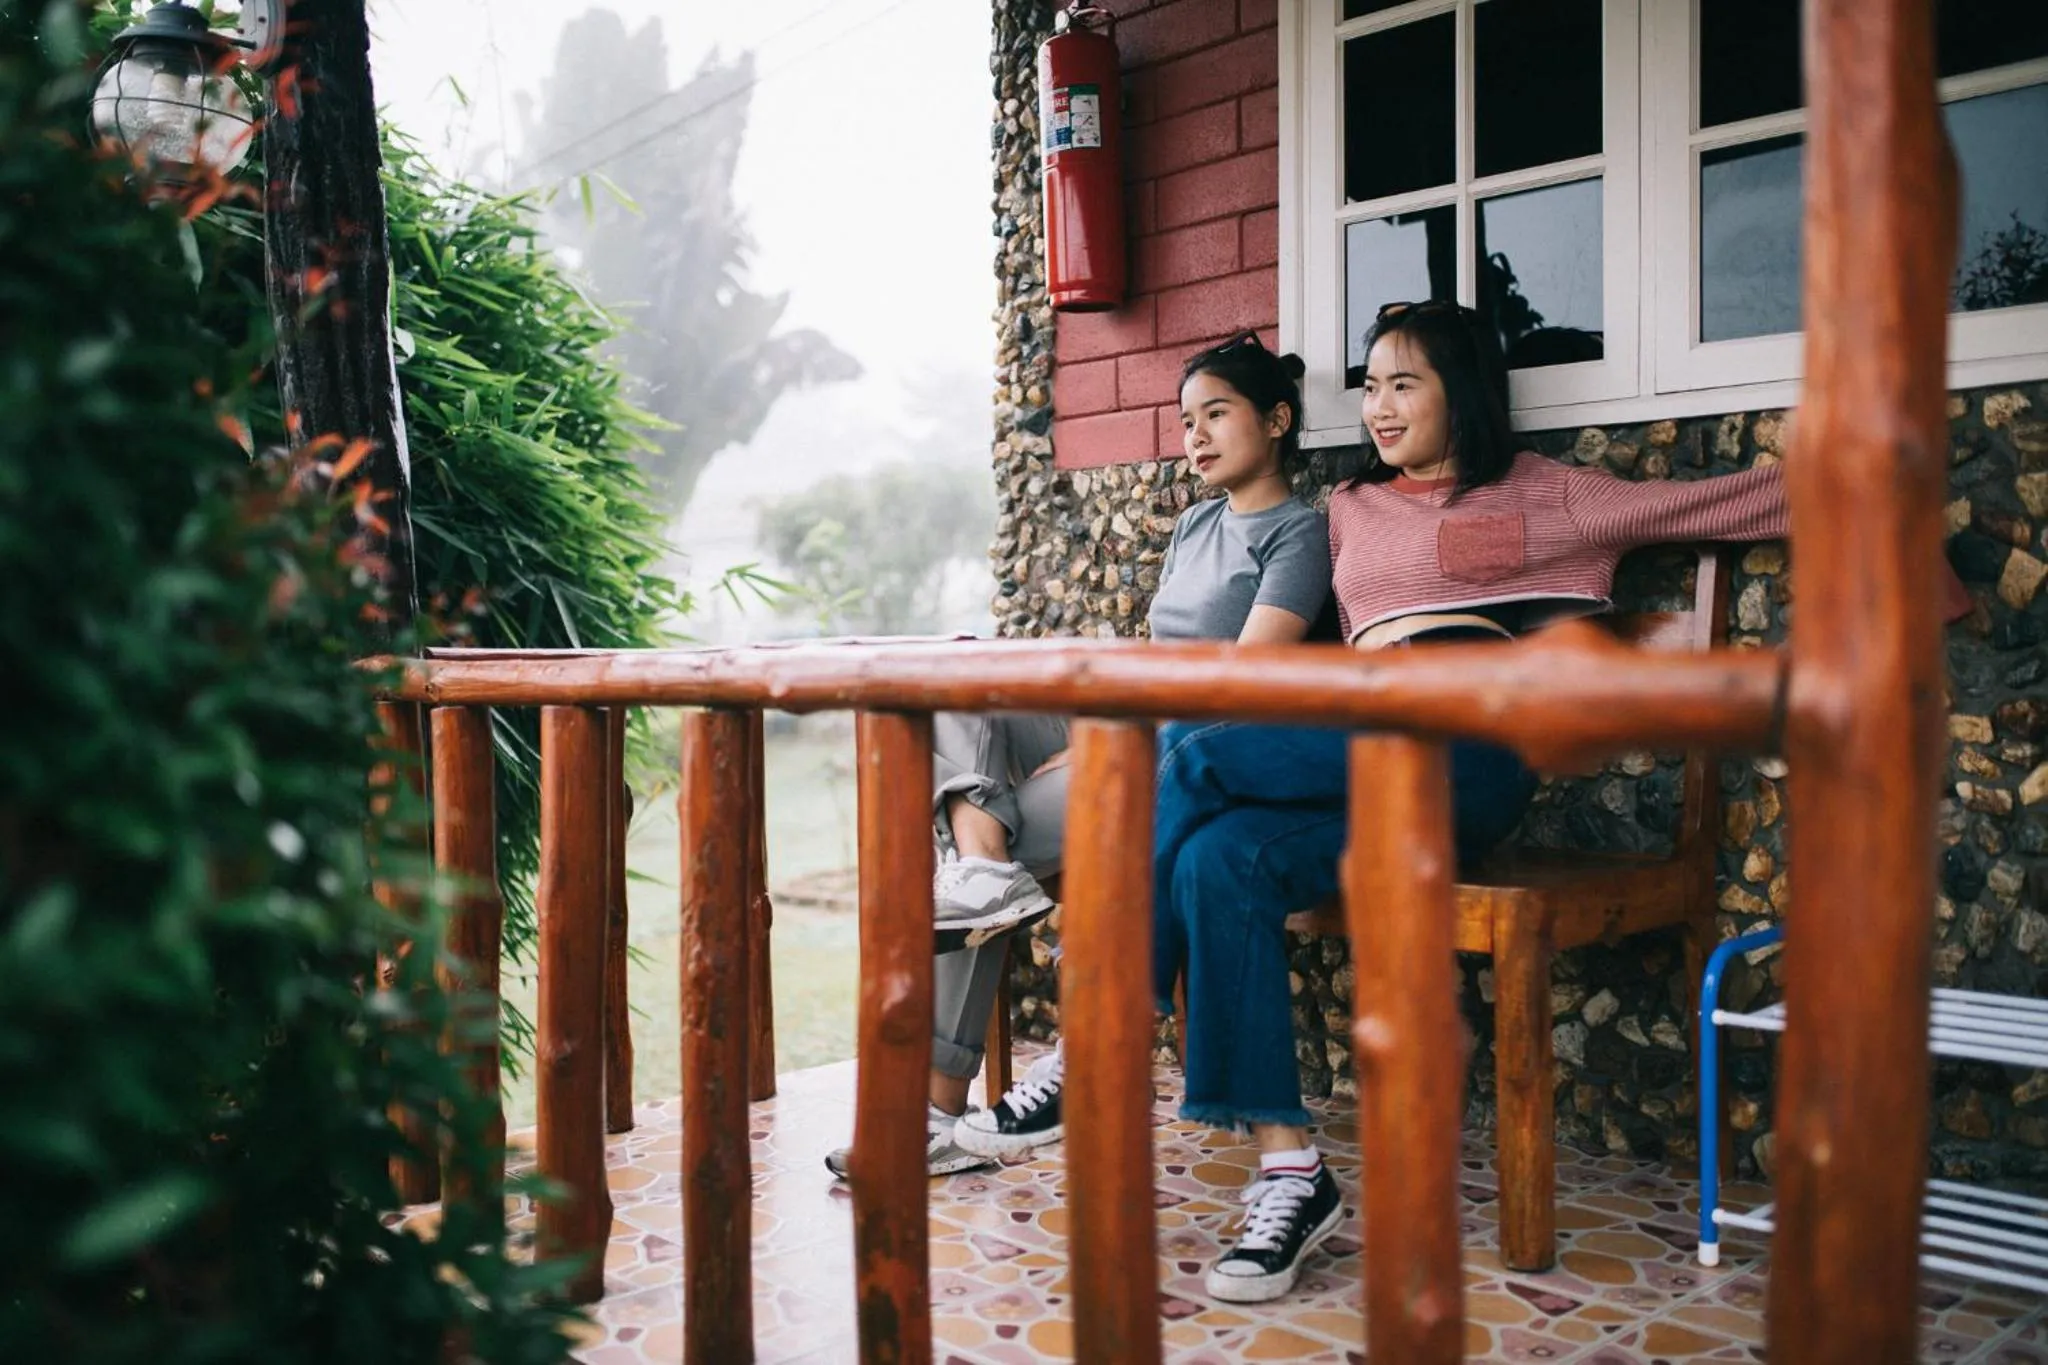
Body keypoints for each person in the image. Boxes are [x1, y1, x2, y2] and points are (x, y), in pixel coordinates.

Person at [1154, 299, 1803, 1304]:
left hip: (1467, 758)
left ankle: (1105, 1021)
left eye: (1402, 383)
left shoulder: (1547, 496)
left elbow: (1713, 506)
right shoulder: (1348, 511)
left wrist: (1875, 493)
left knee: (1190, 753)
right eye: (1368, 386)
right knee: (1213, 856)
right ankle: (1291, 1173)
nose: (1377, 406)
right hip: (1361, 751)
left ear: (1465, 391)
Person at [824, 332, 1335, 1179]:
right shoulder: (1199, 521)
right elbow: (1157, 649)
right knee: (963, 678)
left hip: (1195, 755)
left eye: (1217, 414)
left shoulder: (1297, 535)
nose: (1196, 436)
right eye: (1185, 420)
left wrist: (1110, 742)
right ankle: (985, 869)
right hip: (1140, 719)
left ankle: (935, 1114)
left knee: (993, 838)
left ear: (1276, 420)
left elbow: (1243, 688)